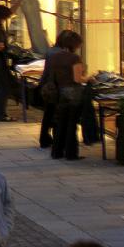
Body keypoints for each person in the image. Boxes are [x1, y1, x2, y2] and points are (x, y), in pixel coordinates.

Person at [43, 30, 89, 161]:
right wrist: (90, 78)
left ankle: (56, 151)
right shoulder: (74, 58)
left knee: (60, 123)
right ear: (75, 45)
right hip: (73, 93)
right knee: (71, 124)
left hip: (60, 92)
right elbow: (77, 79)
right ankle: (71, 153)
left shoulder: (54, 57)